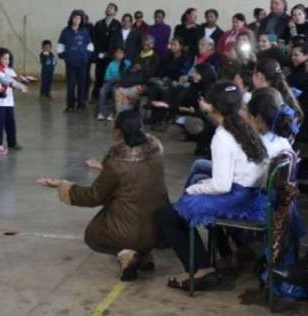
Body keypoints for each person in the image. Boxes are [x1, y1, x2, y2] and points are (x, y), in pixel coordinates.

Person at [157, 81, 268, 291]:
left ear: (214, 106)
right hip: (252, 195)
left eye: (206, 99)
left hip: (236, 199)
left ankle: (201, 269)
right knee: (191, 193)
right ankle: (209, 262)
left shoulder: (222, 137)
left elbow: (221, 185)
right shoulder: (244, 126)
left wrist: (195, 189)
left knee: (168, 214)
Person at [37, 110, 168, 281]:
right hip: (160, 228)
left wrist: (61, 185)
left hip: (129, 233)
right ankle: (144, 254)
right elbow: (137, 175)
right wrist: (103, 168)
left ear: (119, 131)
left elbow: (93, 196)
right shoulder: (157, 152)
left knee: (94, 233)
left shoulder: (116, 163)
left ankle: (127, 253)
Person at [0, 48, 28, 153]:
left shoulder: (10, 70)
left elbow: (13, 81)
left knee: (11, 123)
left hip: (9, 101)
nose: (6, 61)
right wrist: (18, 83)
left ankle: (12, 142)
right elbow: (8, 81)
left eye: (8, 59)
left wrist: (21, 81)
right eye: (4, 58)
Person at [58, 9, 93, 112]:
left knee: (82, 84)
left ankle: (81, 105)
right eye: (75, 18)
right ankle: (70, 105)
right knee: (71, 85)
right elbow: (60, 46)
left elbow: (90, 46)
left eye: (79, 18)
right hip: (70, 64)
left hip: (82, 63)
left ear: (81, 20)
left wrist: (86, 55)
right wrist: (65, 56)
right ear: (71, 18)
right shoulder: (65, 31)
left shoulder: (85, 31)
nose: (76, 20)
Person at [92, 3, 122, 102]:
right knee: (98, 76)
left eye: (111, 8)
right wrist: (96, 53)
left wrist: (116, 54)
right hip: (100, 55)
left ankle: (109, 97)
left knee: (110, 77)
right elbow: (94, 40)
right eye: (108, 8)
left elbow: (119, 40)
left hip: (111, 56)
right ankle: (95, 96)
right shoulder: (99, 23)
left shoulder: (117, 24)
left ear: (115, 12)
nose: (109, 9)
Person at [97, 47, 131, 121]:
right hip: (110, 81)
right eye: (117, 53)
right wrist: (114, 79)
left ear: (124, 55)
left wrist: (119, 79)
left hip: (121, 83)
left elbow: (129, 75)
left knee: (114, 91)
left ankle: (113, 113)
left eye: (120, 53)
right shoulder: (111, 64)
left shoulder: (127, 63)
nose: (118, 55)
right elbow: (106, 77)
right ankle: (101, 113)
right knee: (102, 91)